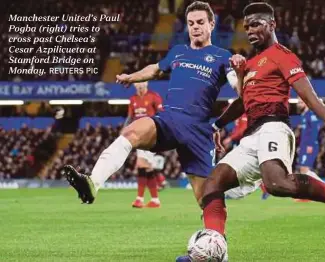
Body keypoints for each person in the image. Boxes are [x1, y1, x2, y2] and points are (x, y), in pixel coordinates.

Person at [177, 2, 325, 260]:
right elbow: (244, 102)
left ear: (272, 24)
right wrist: (217, 125)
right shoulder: (251, 63)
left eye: (256, 24)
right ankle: (214, 250)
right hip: (251, 137)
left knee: (277, 183)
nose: (250, 30)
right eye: (246, 27)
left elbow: (311, 98)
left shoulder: (284, 56)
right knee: (212, 184)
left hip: (274, 127)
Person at [61, 1, 241, 208]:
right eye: (191, 23)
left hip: (198, 129)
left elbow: (237, 87)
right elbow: (155, 69)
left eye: (200, 22)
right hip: (169, 119)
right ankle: (93, 183)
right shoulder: (178, 51)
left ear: (212, 24)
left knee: (205, 199)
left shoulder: (223, 56)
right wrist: (131, 77)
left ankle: (216, 235)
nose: (195, 27)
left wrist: (240, 75)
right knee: (131, 133)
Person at [127, 82, 164, 208]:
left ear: (146, 84)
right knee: (147, 167)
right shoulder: (133, 99)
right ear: (135, 86)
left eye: (142, 84)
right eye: (138, 84)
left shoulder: (154, 96)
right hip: (138, 135)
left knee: (141, 164)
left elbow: (161, 114)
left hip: (150, 134)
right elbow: (130, 117)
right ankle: (155, 200)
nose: (140, 86)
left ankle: (139, 199)